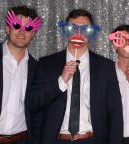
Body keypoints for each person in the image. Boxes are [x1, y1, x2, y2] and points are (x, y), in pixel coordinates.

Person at [27, 9, 123, 144]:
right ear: (66, 31)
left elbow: (115, 113)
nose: (78, 34)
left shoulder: (106, 67)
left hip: (93, 139)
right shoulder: (46, 64)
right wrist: (61, 82)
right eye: (73, 29)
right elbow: (33, 103)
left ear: (92, 33)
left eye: (85, 30)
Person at [0, 6, 42, 144]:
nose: (22, 32)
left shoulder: (37, 68)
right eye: (16, 25)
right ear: (8, 28)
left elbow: (37, 109)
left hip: (23, 140)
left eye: (28, 28)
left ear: (33, 34)